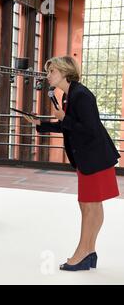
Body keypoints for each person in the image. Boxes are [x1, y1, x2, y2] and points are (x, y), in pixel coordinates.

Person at [23, 56, 120, 271]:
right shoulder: (69, 95)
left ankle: (83, 252)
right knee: (88, 205)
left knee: (89, 206)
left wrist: (63, 118)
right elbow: (69, 126)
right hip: (88, 158)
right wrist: (41, 124)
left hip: (94, 158)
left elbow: (91, 129)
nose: (48, 75)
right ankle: (89, 251)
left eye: (51, 71)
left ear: (64, 72)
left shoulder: (81, 95)